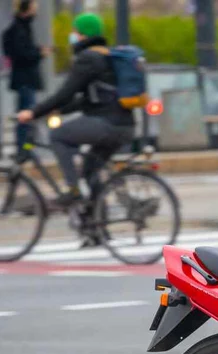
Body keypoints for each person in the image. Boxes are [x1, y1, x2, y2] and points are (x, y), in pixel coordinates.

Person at [16, 13, 134, 214]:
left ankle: (73, 191)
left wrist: (33, 112)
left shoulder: (88, 58)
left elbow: (65, 92)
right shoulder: (108, 55)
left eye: (75, 32)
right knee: (90, 171)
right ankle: (96, 228)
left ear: (83, 35)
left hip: (106, 124)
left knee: (58, 135)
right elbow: (88, 99)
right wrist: (58, 110)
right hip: (126, 126)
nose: (72, 36)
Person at [3, 0, 48, 153]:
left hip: (24, 79)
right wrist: (39, 53)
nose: (36, 11)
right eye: (34, 7)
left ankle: (26, 148)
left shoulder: (22, 28)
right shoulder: (19, 29)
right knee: (26, 116)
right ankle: (24, 149)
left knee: (26, 115)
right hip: (25, 79)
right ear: (28, 9)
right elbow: (22, 54)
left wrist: (36, 51)